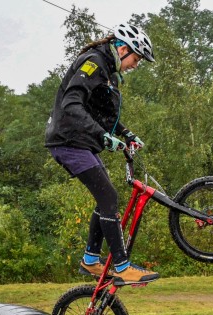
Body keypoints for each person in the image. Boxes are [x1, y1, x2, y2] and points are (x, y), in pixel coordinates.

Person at [45, 23, 159, 285]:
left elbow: (102, 114)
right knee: (108, 196)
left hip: (80, 142)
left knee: (104, 197)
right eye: (136, 57)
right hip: (68, 140)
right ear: (122, 48)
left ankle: (91, 260)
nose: (136, 64)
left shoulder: (107, 69)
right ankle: (121, 266)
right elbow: (71, 103)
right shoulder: (94, 62)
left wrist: (126, 133)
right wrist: (102, 136)